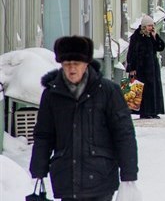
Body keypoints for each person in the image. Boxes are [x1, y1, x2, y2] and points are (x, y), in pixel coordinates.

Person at [30, 36, 139, 200]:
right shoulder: (52, 94)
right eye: (67, 64)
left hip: (100, 178)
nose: (71, 69)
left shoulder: (108, 91)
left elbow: (123, 133)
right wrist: (39, 167)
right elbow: (44, 134)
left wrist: (128, 172)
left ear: (86, 63)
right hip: (66, 178)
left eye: (76, 64)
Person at [126, 14, 165, 119]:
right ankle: (144, 111)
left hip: (152, 66)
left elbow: (160, 47)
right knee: (142, 89)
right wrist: (132, 68)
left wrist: (155, 36)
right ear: (144, 26)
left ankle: (153, 111)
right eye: (149, 26)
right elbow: (132, 53)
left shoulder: (151, 36)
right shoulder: (136, 37)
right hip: (141, 67)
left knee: (153, 89)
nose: (151, 28)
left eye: (152, 25)